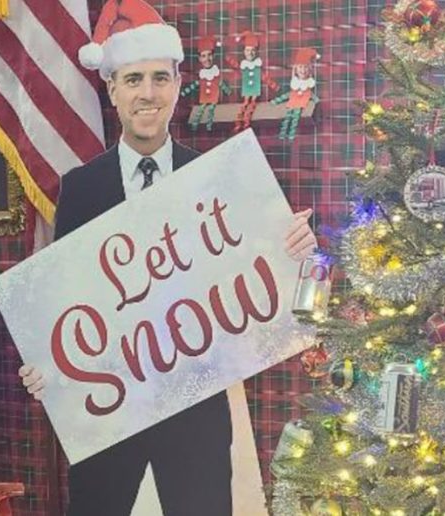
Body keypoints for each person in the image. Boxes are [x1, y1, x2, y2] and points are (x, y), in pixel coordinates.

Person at [18, 0, 317, 514]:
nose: (148, 93)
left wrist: (292, 251)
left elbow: (261, 281)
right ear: (112, 90)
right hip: (110, 407)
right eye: (133, 80)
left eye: (160, 78)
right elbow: (66, 298)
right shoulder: (81, 188)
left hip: (196, 404)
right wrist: (45, 361)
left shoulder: (218, 179)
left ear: (178, 85)